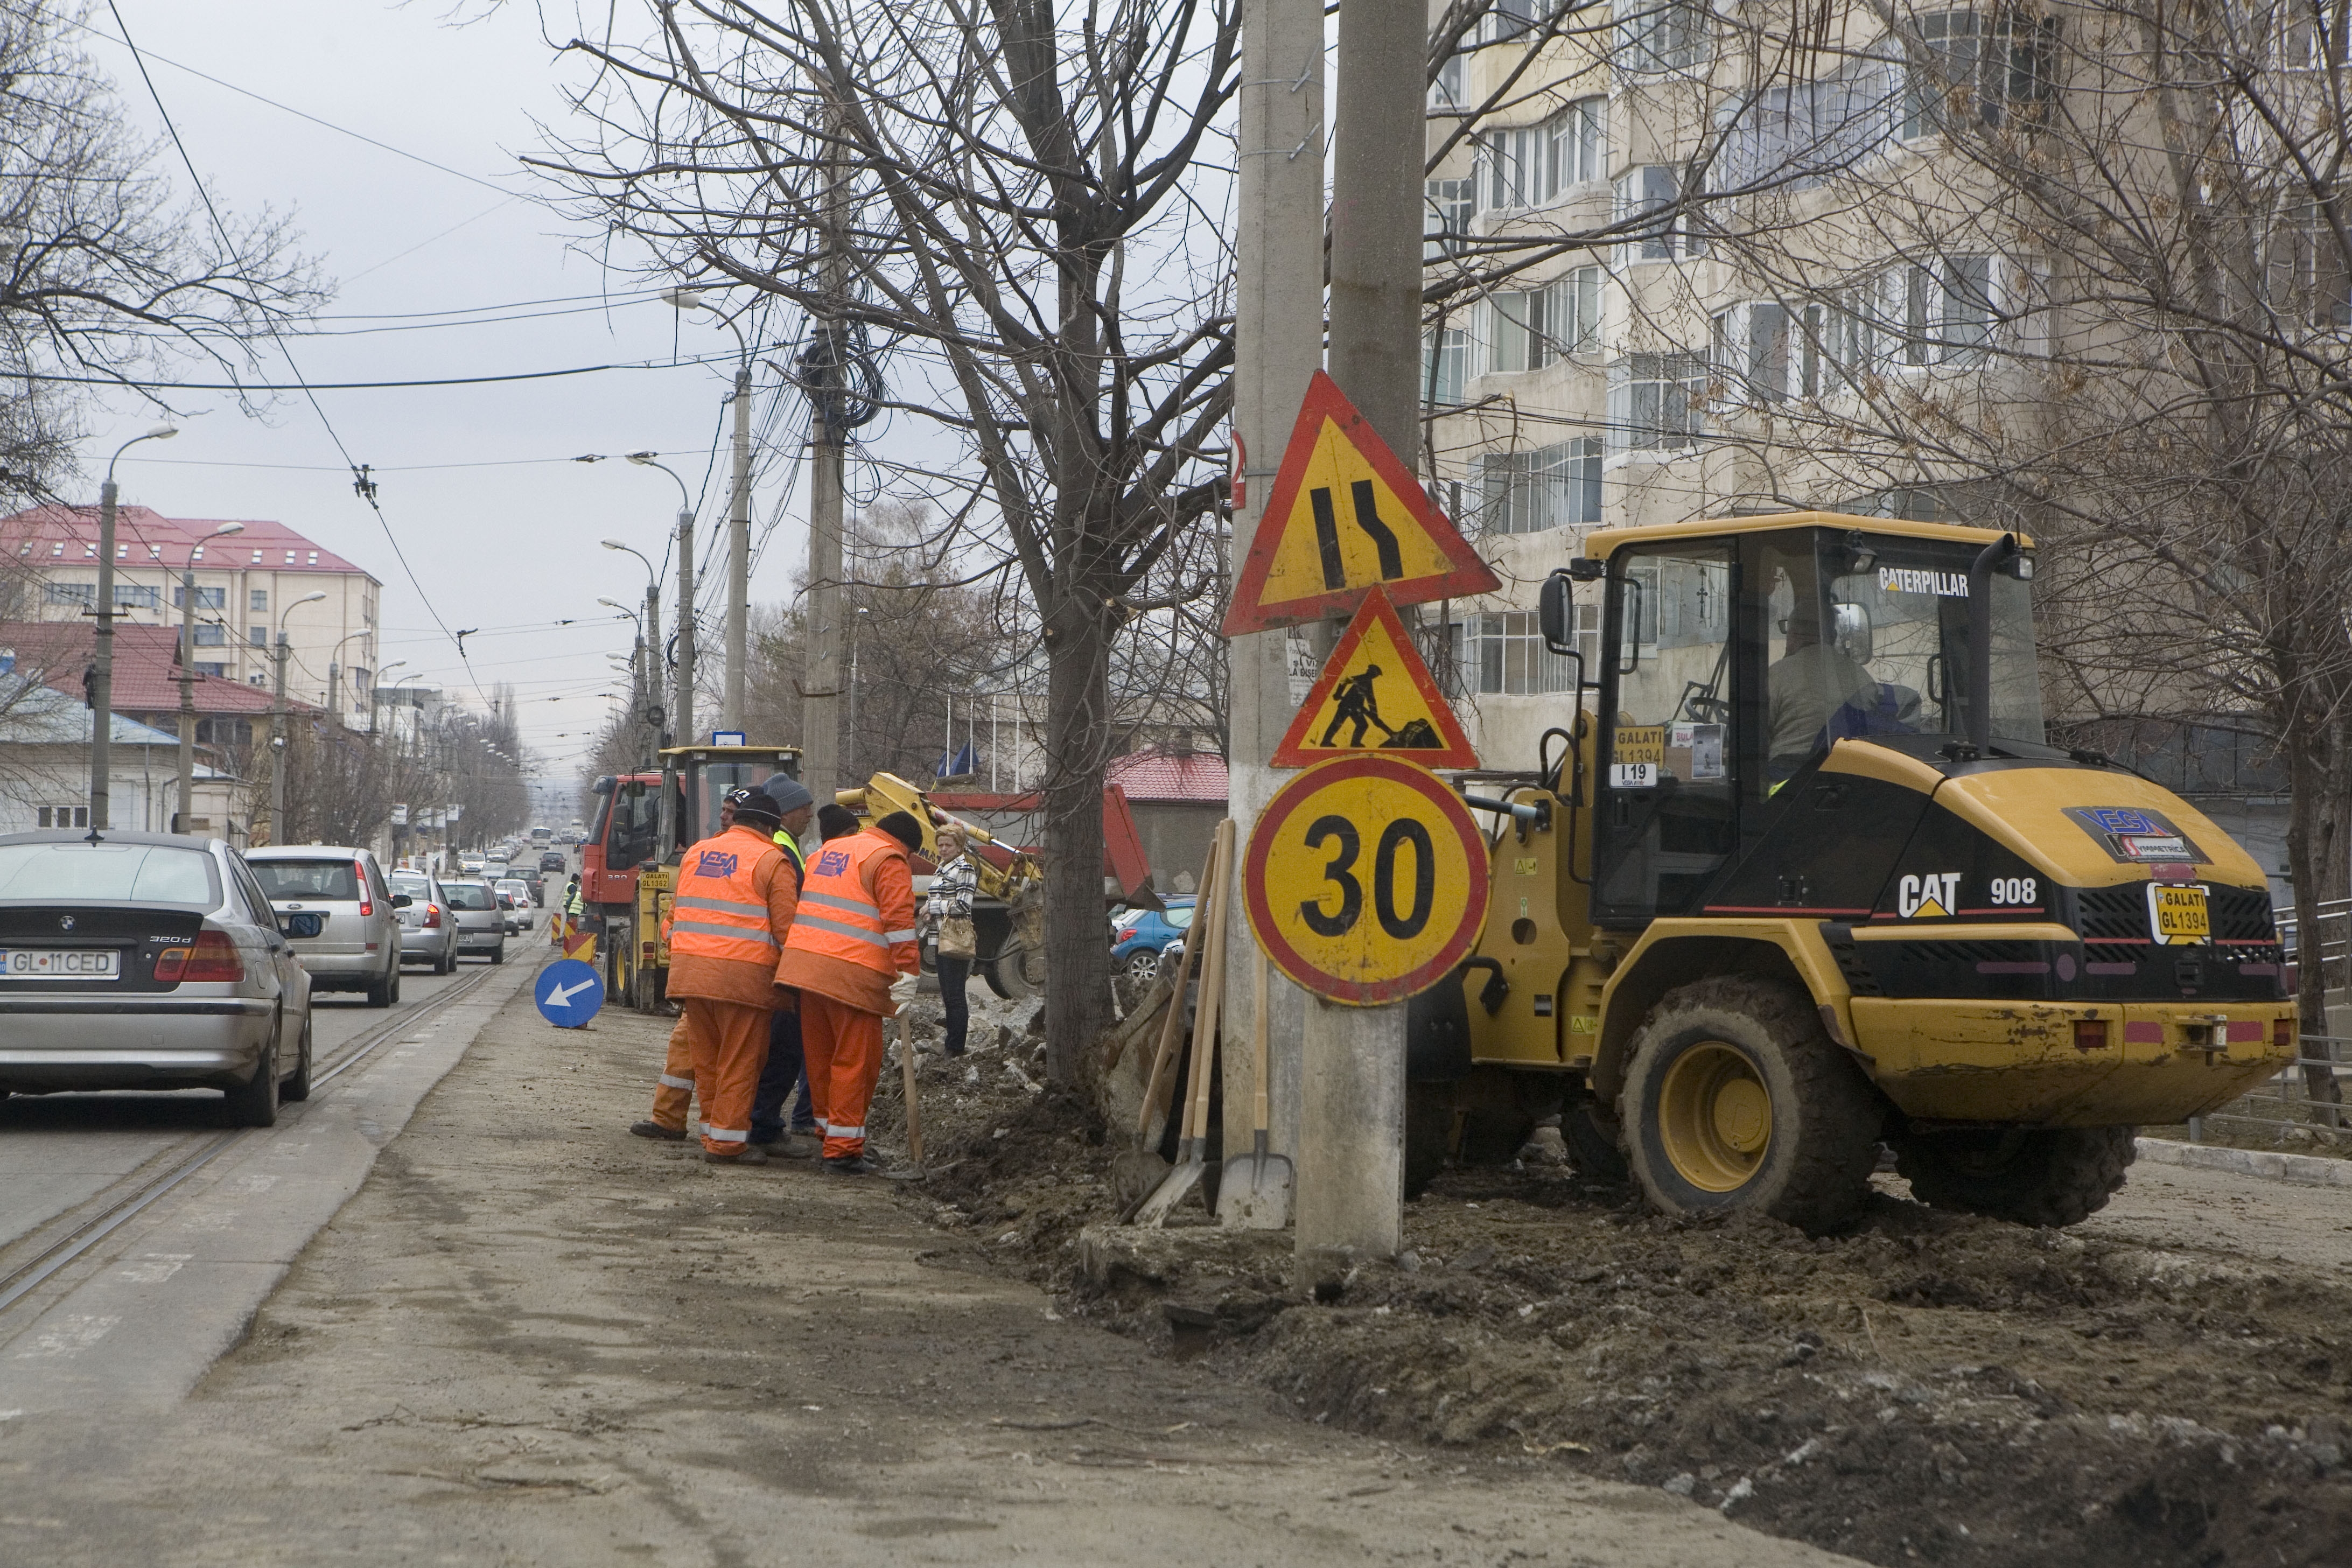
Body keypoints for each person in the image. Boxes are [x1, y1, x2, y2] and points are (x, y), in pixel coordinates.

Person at [773, 809, 923, 1175]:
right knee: (855, 1063)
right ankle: (843, 1151)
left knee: (822, 1060)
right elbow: (899, 922)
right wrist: (908, 972)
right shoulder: (889, 858)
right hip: (852, 975)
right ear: (906, 846)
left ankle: (830, 1135)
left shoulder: (829, 853)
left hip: (807, 971)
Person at [656, 788, 800, 1164]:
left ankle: (712, 1132)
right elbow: (788, 931)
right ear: (770, 827)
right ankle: (726, 1144)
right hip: (743, 980)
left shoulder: (697, 854)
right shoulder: (772, 859)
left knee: (708, 1060)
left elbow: (677, 914)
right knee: (739, 1062)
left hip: (691, 975)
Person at [747, 776, 822, 1153]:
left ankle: (757, 1122)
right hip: (780, 968)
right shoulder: (781, 851)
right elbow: (786, 920)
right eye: (804, 807)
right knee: (783, 1050)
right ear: (786, 812)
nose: (810, 813)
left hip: (769, 966)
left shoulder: (786, 847)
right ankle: (763, 1126)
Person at [925, 823, 978, 1058]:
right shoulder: (941, 869)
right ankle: (951, 1042)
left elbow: (963, 905)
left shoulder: (965, 869)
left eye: (948, 845)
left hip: (955, 938)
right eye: (941, 845)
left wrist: (931, 907)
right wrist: (927, 911)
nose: (943, 849)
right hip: (938, 938)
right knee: (946, 994)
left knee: (955, 995)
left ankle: (956, 1047)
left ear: (959, 846)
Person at [1320, 663, 1394, 747]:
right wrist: (1338, 694)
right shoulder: (1363, 678)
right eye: (1375, 674)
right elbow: (1344, 680)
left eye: (1375, 675)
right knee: (1337, 724)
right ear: (1371, 673)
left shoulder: (1368, 682)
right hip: (1346, 706)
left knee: (1362, 725)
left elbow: (1371, 700)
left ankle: (1354, 743)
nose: (1375, 677)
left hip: (1355, 708)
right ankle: (1327, 742)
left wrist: (1375, 715)